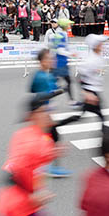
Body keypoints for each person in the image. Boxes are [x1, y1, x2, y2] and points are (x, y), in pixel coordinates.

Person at [29, 49, 71, 178]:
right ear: (42, 62)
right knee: (52, 139)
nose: (52, 61)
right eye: (48, 59)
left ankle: (47, 166)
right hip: (43, 113)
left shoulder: (39, 75)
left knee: (47, 139)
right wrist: (61, 91)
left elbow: (31, 90)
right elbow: (47, 94)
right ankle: (51, 167)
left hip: (40, 112)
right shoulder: (44, 77)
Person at [62, 34, 108, 127]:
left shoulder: (98, 57)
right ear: (95, 46)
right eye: (100, 44)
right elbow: (79, 75)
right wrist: (86, 93)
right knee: (101, 117)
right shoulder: (91, 60)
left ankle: (59, 124)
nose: (102, 45)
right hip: (91, 91)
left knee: (80, 116)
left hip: (94, 90)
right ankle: (57, 125)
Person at [50, 18, 75, 103]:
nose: (69, 26)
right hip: (60, 62)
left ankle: (71, 100)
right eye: (68, 25)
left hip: (59, 61)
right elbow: (59, 50)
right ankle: (70, 100)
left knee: (62, 82)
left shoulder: (60, 33)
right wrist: (71, 54)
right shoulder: (61, 34)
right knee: (59, 83)